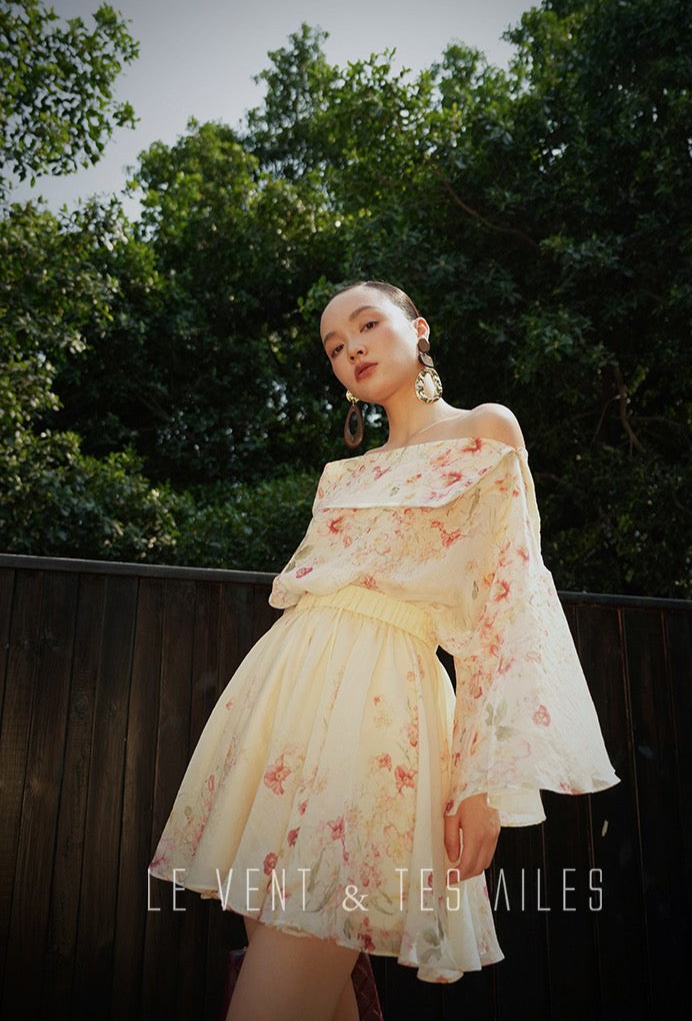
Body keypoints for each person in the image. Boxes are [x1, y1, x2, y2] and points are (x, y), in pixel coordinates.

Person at [148, 279, 619, 1021]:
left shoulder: (485, 429)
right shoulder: (343, 476)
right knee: (309, 984)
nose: (352, 349)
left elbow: (507, 607)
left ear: (418, 328)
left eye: (367, 325)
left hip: (378, 717)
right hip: (279, 709)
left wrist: (483, 783)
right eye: (335, 346)